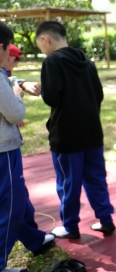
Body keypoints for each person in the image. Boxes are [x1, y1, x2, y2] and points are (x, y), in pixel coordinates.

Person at [36, 21, 115, 239]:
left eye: (39, 46)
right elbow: (98, 94)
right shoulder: (87, 62)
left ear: (46, 39)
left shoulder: (52, 62)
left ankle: (70, 226)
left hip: (66, 135)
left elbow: (52, 97)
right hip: (92, 131)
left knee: (68, 182)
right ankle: (106, 219)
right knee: (96, 178)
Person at [1, 22, 55, 272]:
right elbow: (15, 113)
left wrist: (19, 83)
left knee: (18, 199)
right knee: (11, 207)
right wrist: (18, 94)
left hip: (6, 151)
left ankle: (34, 239)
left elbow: (8, 79)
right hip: (4, 152)